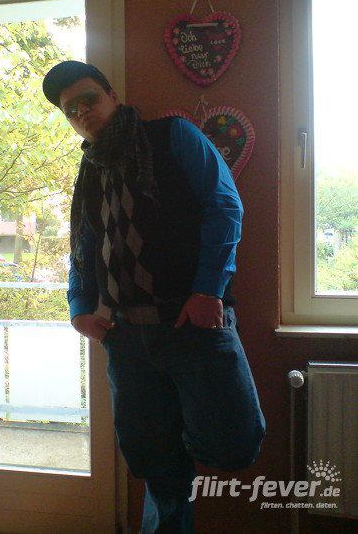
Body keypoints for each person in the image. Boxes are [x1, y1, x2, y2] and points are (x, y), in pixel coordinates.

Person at [42, 60, 266, 533]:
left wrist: (208, 290)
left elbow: (224, 206)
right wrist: (79, 307)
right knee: (155, 464)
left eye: (88, 100)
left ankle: (179, 441)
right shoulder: (89, 170)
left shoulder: (172, 136)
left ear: (112, 96)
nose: (81, 113)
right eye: (70, 110)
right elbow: (83, 242)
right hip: (126, 337)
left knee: (234, 443)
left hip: (193, 324)